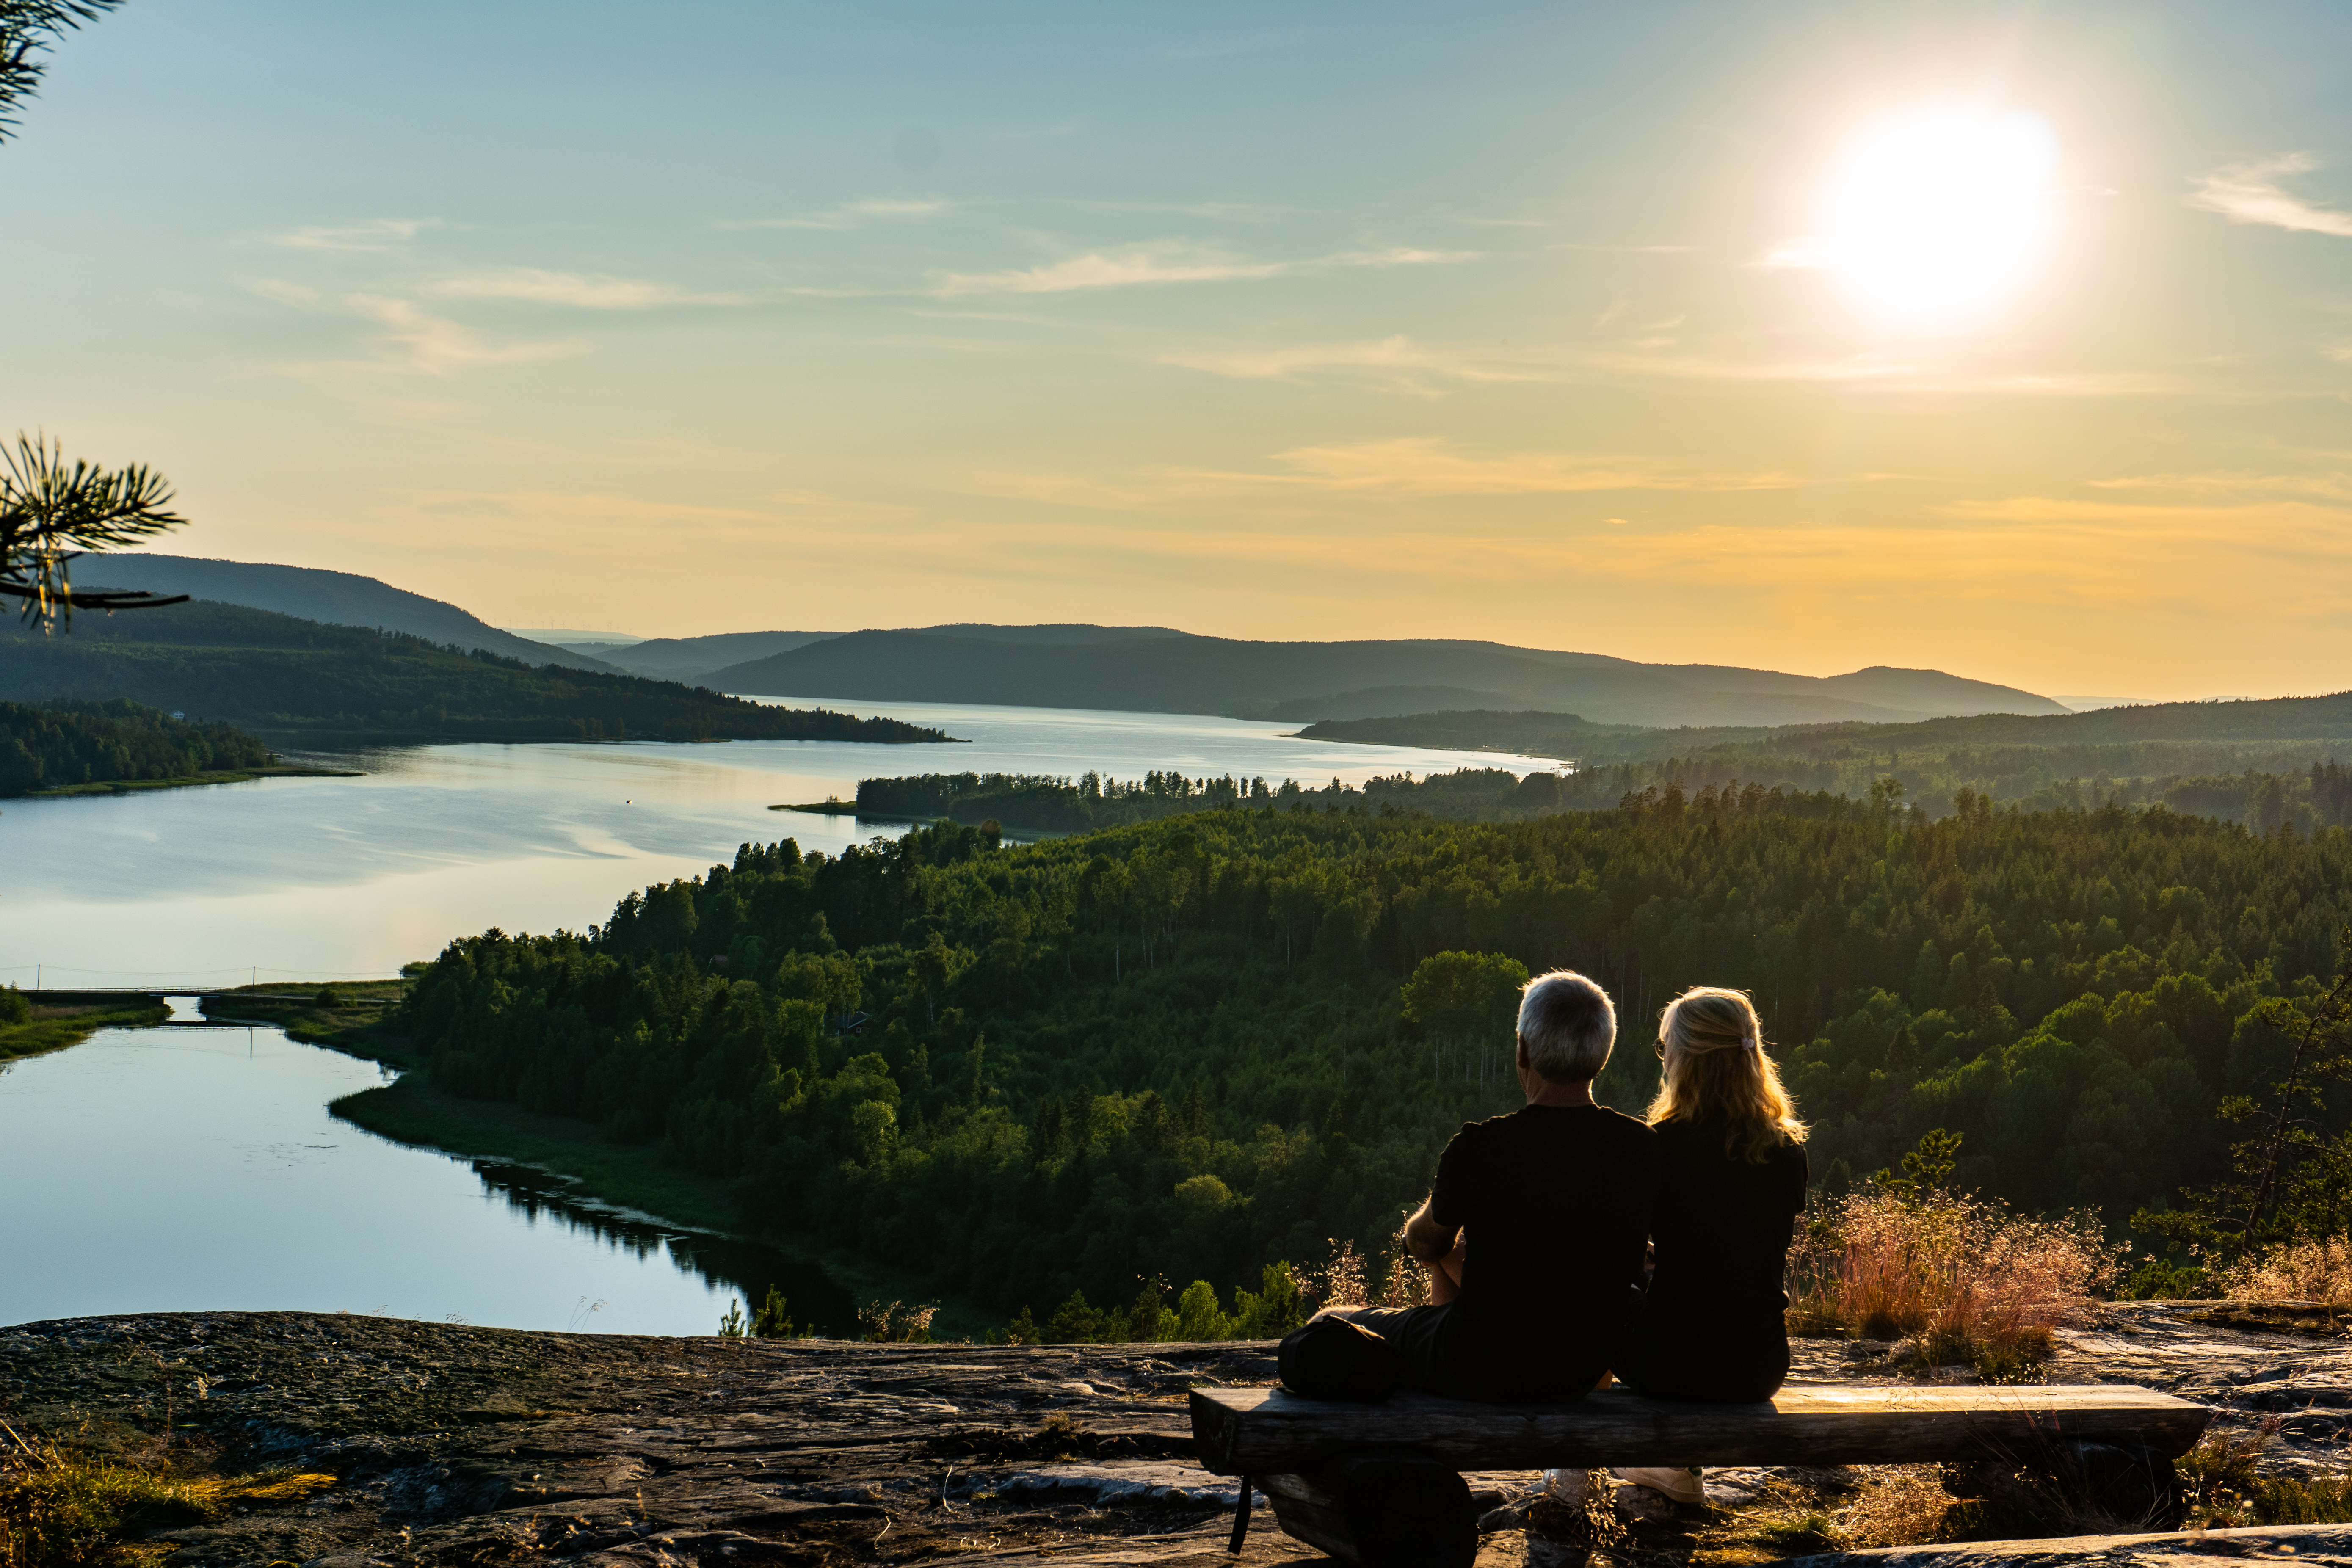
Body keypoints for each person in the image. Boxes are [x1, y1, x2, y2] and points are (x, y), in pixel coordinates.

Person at [1330, 969, 1659, 1404]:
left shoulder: (1480, 1146)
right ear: (1603, 1053)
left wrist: (1432, 1224)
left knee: (1331, 1323)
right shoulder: (1643, 1148)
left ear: (1522, 1049)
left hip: (1478, 1363)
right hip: (1578, 1368)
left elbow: (1426, 1243)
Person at [1611, 986, 1810, 1503]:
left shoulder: (1658, 1144)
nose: (1664, 1059)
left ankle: (1576, 1469)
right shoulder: (1786, 1150)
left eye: (1665, 1047)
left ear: (1685, 1059)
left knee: (1597, 1286)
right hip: (1757, 1365)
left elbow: (1620, 1250)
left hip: (1671, 1362)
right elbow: (1741, 1243)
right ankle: (1675, 1467)